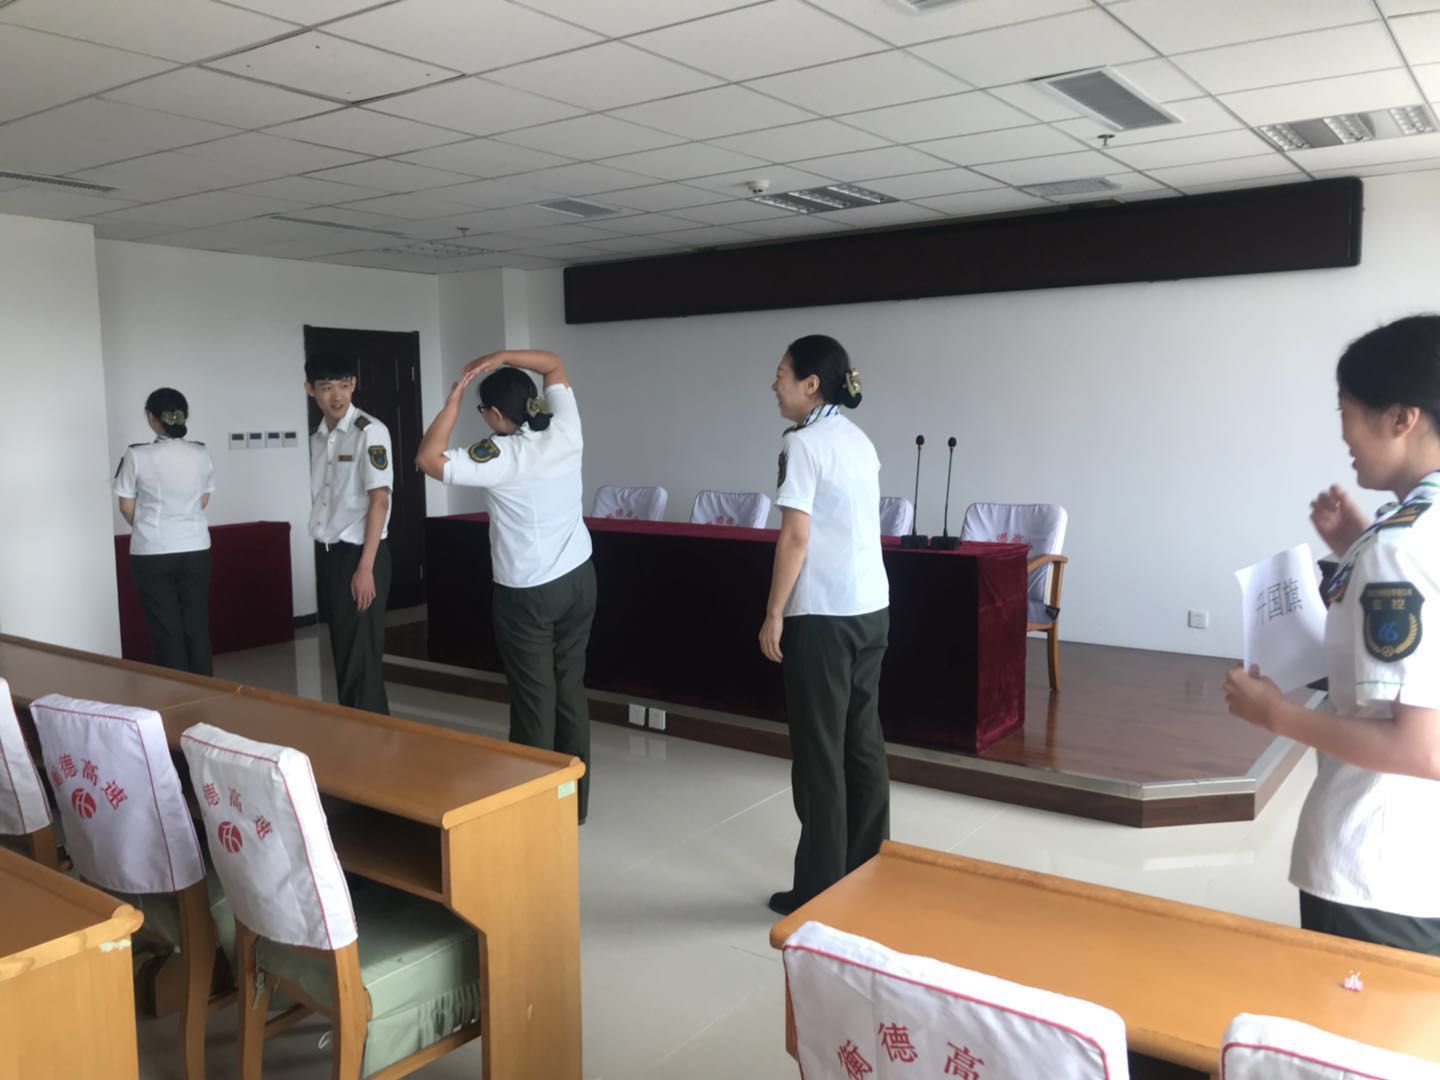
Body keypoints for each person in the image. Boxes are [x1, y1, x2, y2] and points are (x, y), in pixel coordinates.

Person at [1225, 314, 1440, 955]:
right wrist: (1356, 546)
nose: (1343, 434)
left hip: (1378, 864)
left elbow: (1420, 749)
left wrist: (1277, 715)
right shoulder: (1403, 536)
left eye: (1345, 411)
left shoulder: (1399, 547)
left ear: (1401, 418)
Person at [416, 349, 596, 824]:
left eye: (482, 411)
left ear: (495, 414)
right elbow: (554, 363)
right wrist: (502, 356)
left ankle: (535, 811)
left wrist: (452, 402)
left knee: (535, 700)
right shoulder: (565, 428)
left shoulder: (501, 455)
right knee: (569, 690)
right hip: (579, 579)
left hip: (528, 593)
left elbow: (428, 458)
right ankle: (573, 805)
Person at [760, 334, 890, 916]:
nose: (775, 384)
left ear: (811, 385)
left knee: (819, 753)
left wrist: (773, 612)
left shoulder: (803, 445)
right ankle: (869, 870)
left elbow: (796, 536)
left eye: (782, 373)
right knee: (862, 743)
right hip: (871, 608)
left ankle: (818, 889)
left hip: (823, 615)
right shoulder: (858, 440)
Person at [306, 352, 393, 714]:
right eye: (326, 387)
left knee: (362, 662)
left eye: (344, 385)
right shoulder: (318, 438)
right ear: (310, 389)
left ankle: (373, 738)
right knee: (345, 655)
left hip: (361, 555)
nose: (337, 395)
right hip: (331, 555)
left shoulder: (369, 431)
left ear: (354, 384)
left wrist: (365, 567)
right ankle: (356, 733)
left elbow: (379, 500)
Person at [114, 388, 216, 676]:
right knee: (196, 624)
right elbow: (203, 500)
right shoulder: (201, 452)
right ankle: (206, 690)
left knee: (165, 628)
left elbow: (126, 505)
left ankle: (175, 694)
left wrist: (149, 529)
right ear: (185, 416)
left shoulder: (137, 455)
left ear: (152, 417)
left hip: (153, 553)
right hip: (196, 549)